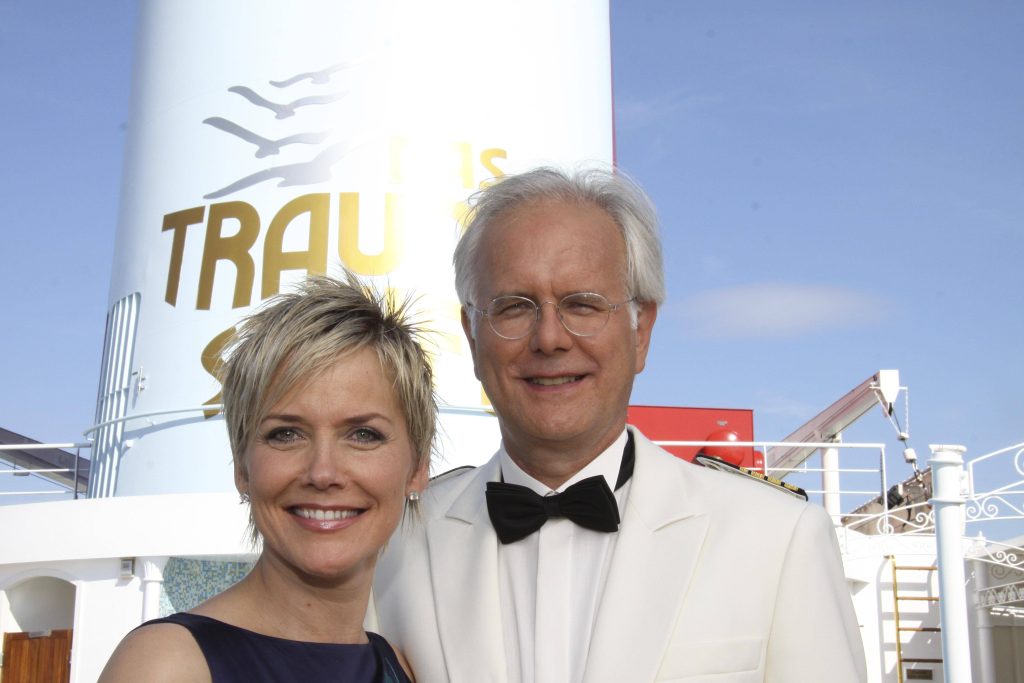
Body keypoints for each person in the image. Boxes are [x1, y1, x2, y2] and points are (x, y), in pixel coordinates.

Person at [370, 167, 867, 682]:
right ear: (473, 339)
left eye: (582, 305)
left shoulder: (778, 539)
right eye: (513, 307)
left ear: (642, 330)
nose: (550, 338)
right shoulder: (395, 544)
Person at [101, 274, 435, 683]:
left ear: (417, 469)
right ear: (242, 467)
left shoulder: (399, 668)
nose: (323, 472)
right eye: (286, 434)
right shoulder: (168, 665)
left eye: (363, 434)